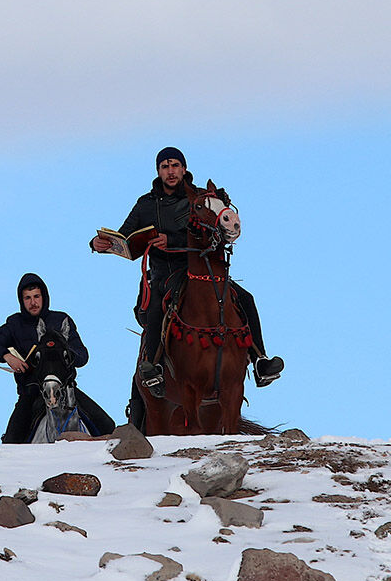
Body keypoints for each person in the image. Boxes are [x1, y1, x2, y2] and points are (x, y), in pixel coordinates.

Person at [91, 147, 284, 414]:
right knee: (157, 308)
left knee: (245, 298)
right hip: (165, 273)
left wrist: (174, 240)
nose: (170, 171)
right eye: (164, 166)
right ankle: (154, 367)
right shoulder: (145, 204)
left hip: (201, 270)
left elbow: (217, 232)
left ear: (184, 169)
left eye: (175, 165)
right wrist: (101, 243)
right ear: (158, 171)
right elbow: (125, 236)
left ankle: (260, 360)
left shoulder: (202, 199)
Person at [0, 273, 115, 443]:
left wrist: (63, 351)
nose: (33, 302)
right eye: (27, 298)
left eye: (36, 296)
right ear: (21, 300)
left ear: (44, 297)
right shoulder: (15, 324)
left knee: (108, 426)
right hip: (31, 394)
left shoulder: (61, 320)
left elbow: (83, 357)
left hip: (67, 392)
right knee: (11, 441)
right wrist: (6, 356)